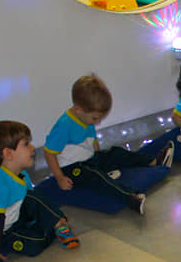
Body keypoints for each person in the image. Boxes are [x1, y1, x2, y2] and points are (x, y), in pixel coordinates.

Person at [44, 74, 174, 215]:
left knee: (115, 153)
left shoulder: (86, 119)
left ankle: (154, 161)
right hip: (73, 168)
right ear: (79, 110)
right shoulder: (64, 126)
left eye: (99, 118)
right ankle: (130, 197)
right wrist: (59, 177)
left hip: (90, 159)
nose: (98, 122)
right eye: (95, 118)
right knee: (97, 178)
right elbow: (49, 153)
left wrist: (100, 158)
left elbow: (93, 141)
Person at [0, 120, 80, 254]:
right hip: (0, 232)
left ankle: (59, 225)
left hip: (15, 217)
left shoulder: (22, 174)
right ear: (8, 154)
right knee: (35, 245)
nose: (32, 147)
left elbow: (33, 202)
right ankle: (50, 228)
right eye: (26, 144)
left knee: (33, 196)